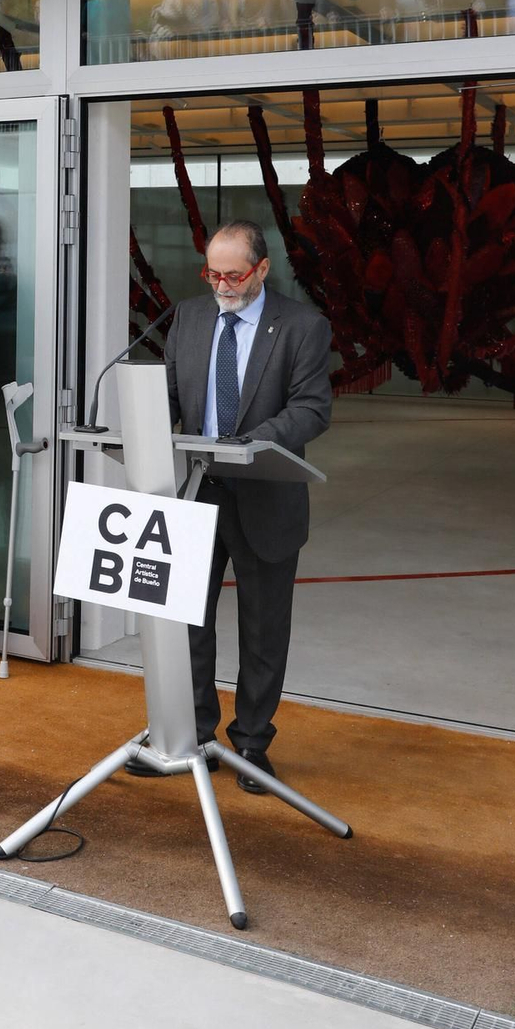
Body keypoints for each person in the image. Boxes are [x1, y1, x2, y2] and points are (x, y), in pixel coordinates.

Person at [159, 220, 332, 791]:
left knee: (263, 630)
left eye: (234, 274)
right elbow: (170, 398)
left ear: (262, 269)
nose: (222, 285)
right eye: (213, 273)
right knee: (187, 621)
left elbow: (312, 408)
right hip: (196, 491)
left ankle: (253, 743)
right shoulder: (188, 316)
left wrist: (253, 442)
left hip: (266, 494)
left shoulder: (302, 325)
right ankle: (197, 736)